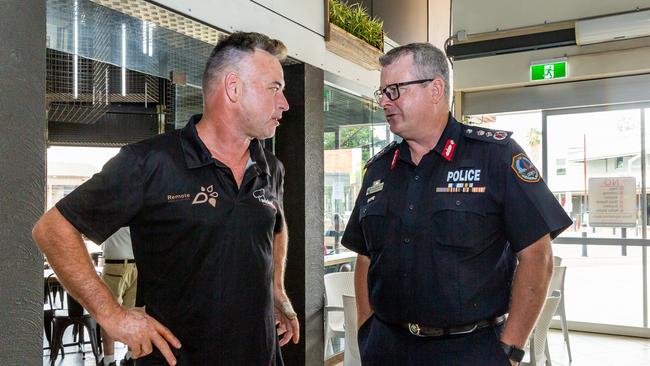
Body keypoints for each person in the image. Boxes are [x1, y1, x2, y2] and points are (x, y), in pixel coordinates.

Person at [32, 31, 299, 366]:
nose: (284, 103)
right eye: (274, 87)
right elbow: (53, 229)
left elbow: (276, 226)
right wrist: (113, 315)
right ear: (233, 87)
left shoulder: (270, 167)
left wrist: (277, 287)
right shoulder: (149, 162)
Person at [341, 43, 572, 365]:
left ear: (435, 89)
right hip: (386, 347)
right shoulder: (380, 169)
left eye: (394, 90)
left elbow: (537, 257)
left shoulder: (495, 156)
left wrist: (511, 350)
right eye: (381, 92)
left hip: (470, 350)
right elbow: (364, 256)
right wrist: (367, 332)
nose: (383, 101)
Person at [98, 227, 137, 366]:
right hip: (137, 266)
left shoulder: (109, 211)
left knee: (107, 315)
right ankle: (132, 357)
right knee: (133, 314)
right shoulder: (136, 209)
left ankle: (109, 361)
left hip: (115, 266)